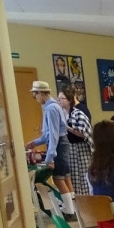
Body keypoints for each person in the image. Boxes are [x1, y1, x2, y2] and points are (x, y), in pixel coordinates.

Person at [25, 80, 76, 215]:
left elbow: (53, 135)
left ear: (41, 93)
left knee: (59, 178)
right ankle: (73, 207)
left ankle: (69, 210)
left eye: (35, 94)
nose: (35, 98)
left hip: (58, 144)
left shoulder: (51, 108)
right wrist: (35, 142)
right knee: (65, 176)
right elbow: (48, 134)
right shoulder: (53, 107)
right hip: (61, 142)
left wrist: (50, 156)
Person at [59, 88, 92, 196]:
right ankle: (76, 200)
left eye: (61, 99)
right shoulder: (64, 113)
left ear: (69, 100)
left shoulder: (78, 113)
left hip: (80, 149)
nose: (59, 101)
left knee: (83, 177)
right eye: (58, 99)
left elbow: (84, 134)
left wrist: (67, 128)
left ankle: (86, 200)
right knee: (73, 177)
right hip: (70, 149)